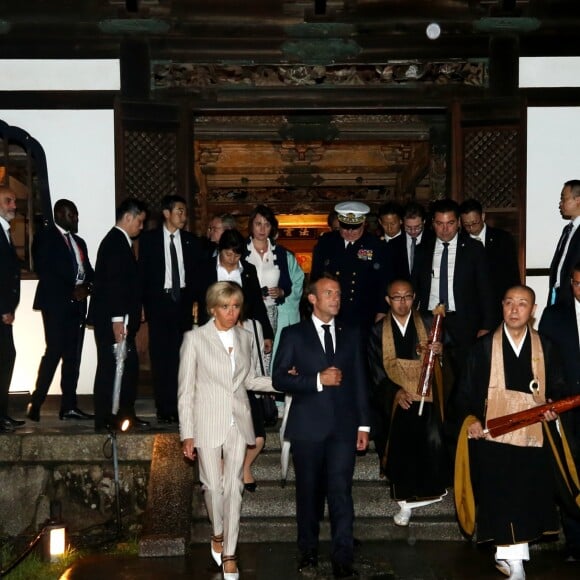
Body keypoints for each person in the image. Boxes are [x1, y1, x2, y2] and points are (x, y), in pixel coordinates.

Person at [455, 285, 566, 580]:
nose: (515, 310)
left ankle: (509, 558)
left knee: (526, 496)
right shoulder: (482, 348)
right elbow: (463, 392)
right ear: (501, 307)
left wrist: (554, 408)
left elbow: (557, 389)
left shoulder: (547, 347)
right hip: (494, 436)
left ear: (533, 310)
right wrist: (472, 420)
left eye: (522, 304)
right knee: (502, 496)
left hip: (533, 436)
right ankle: (514, 563)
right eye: (509, 303)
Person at [272, 274, 370, 578]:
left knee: (341, 493)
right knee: (309, 495)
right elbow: (279, 378)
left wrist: (364, 426)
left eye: (338, 294)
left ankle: (343, 558)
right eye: (329, 293)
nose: (336, 299)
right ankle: (309, 553)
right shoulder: (293, 334)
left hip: (343, 427)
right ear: (312, 298)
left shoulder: (351, 333)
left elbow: (360, 382)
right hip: (307, 428)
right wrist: (316, 380)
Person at [179, 281, 274, 580]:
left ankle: (230, 554)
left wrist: (285, 382)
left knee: (234, 486)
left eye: (236, 306)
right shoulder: (195, 339)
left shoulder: (246, 337)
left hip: (238, 419)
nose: (232, 312)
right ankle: (217, 533)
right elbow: (186, 391)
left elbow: (251, 380)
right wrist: (187, 433)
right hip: (206, 420)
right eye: (225, 307)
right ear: (212, 309)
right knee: (212, 485)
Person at [196, 228, 275, 490]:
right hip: (213, 335)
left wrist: (266, 333)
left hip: (242, 334)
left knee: (246, 386)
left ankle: (244, 467)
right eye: (229, 253)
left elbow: (257, 304)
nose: (232, 259)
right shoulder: (206, 268)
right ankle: (220, 466)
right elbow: (195, 299)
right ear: (220, 250)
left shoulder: (248, 270)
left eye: (237, 254)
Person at [367, 279, 449, 514]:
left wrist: (441, 353)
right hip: (397, 398)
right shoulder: (376, 331)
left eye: (407, 297)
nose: (402, 303)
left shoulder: (428, 323)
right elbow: (374, 371)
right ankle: (405, 503)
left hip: (427, 394)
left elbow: (452, 355)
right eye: (396, 297)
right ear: (387, 300)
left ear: (415, 298)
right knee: (400, 448)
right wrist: (394, 392)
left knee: (431, 441)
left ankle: (428, 494)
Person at [413, 198, 494, 389]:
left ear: (458, 222)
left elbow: (486, 289)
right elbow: (415, 287)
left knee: (463, 377)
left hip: (463, 322)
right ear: (432, 224)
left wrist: (486, 325)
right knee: (431, 378)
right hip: (430, 321)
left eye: (450, 223)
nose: (445, 229)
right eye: (440, 223)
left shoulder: (474, 249)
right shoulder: (422, 250)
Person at [27, 199, 95, 422]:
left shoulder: (79, 242)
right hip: (56, 304)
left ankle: (69, 406)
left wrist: (87, 287)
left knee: (72, 356)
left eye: (76, 215)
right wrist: (71, 291)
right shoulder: (45, 238)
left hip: (77, 304)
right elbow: (46, 271)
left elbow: (89, 272)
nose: (75, 219)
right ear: (59, 214)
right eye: (71, 215)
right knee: (54, 351)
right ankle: (36, 402)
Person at [139, 195, 203, 424]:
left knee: (181, 357)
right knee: (160, 357)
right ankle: (163, 407)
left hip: (182, 303)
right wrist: (143, 305)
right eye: (179, 211)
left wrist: (193, 299)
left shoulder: (190, 241)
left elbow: (196, 274)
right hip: (159, 302)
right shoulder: (149, 240)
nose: (183, 216)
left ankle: (180, 406)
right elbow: (143, 275)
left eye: (184, 212)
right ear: (166, 213)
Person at [88, 197, 149, 433]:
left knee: (128, 368)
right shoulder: (115, 242)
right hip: (113, 320)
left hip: (122, 317)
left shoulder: (120, 242)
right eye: (140, 222)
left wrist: (137, 306)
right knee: (109, 368)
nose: (141, 227)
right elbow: (114, 284)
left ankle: (124, 413)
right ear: (128, 217)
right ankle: (105, 418)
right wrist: (116, 320)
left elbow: (127, 284)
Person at [539, 262, 580, 562]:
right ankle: (575, 544)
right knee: (570, 471)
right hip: (566, 407)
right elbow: (544, 360)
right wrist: (549, 399)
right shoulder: (554, 316)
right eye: (577, 283)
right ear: (570, 283)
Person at [311, 201, 389, 331]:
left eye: (355, 227)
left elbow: (384, 281)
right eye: (345, 227)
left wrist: (382, 311)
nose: (350, 232)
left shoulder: (376, 245)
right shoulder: (326, 242)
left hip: (364, 313)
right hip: (330, 311)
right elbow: (316, 276)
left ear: (364, 223)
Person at [244, 204, 294, 368]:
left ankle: (263, 391)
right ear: (251, 225)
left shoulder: (279, 252)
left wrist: (281, 291)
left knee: (266, 352)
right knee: (245, 353)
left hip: (270, 309)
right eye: (258, 223)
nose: (262, 228)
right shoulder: (242, 250)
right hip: (245, 311)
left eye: (266, 224)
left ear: (272, 227)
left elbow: (287, 283)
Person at [459, 198, 521, 326]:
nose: (471, 228)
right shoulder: (460, 243)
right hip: (470, 310)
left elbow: (512, 274)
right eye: (466, 225)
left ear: (483, 216)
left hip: (498, 304)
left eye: (474, 223)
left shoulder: (502, 239)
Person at [0, 186, 25, 432]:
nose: (13, 206)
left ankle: (2, 413)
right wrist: (3, 308)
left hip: (4, 311)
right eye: (8, 201)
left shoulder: (5, 231)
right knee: (6, 357)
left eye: (14, 201)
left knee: (7, 358)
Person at [548, 179, 580, 306]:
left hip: (575, 295)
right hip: (559, 294)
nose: (560, 203)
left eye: (564, 198)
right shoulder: (567, 229)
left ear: (578, 200)